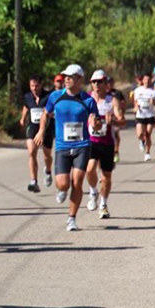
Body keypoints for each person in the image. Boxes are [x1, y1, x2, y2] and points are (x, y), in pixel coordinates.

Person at [34, 64, 101, 232]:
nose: (67, 79)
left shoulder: (88, 100)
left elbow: (98, 125)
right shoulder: (55, 96)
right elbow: (45, 113)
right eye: (65, 76)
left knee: (77, 182)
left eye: (70, 76)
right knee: (63, 184)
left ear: (79, 79)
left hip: (82, 145)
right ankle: (61, 190)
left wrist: (96, 124)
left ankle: (71, 218)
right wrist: (42, 130)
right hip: (62, 146)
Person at [86, 71, 125, 219]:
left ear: (105, 83)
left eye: (99, 82)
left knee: (106, 176)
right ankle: (93, 192)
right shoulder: (87, 99)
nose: (96, 85)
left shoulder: (111, 100)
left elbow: (123, 121)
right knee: (89, 170)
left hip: (107, 143)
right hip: (91, 142)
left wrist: (113, 122)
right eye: (94, 82)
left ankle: (103, 204)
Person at [19, 75, 53, 192]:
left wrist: (50, 114)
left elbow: (53, 109)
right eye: (32, 86)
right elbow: (26, 106)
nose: (34, 88)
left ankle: (48, 170)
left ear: (41, 85)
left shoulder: (48, 96)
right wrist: (23, 117)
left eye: (36, 85)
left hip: (47, 128)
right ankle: (34, 181)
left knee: (46, 155)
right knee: (31, 152)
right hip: (32, 127)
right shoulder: (27, 97)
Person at [133, 73, 155, 162]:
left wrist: (154, 103)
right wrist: (136, 106)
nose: (147, 81)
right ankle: (142, 141)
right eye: (145, 79)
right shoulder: (137, 90)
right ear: (142, 80)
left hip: (150, 115)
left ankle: (147, 153)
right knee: (140, 134)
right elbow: (135, 102)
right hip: (140, 115)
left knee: (148, 134)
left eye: (149, 79)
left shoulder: (154, 92)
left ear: (151, 80)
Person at [107, 75, 126, 164]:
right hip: (106, 117)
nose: (109, 84)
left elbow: (123, 103)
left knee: (115, 134)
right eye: (107, 82)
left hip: (115, 116)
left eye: (110, 82)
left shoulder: (117, 93)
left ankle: (116, 151)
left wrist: (121, 112)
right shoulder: (102, 93)